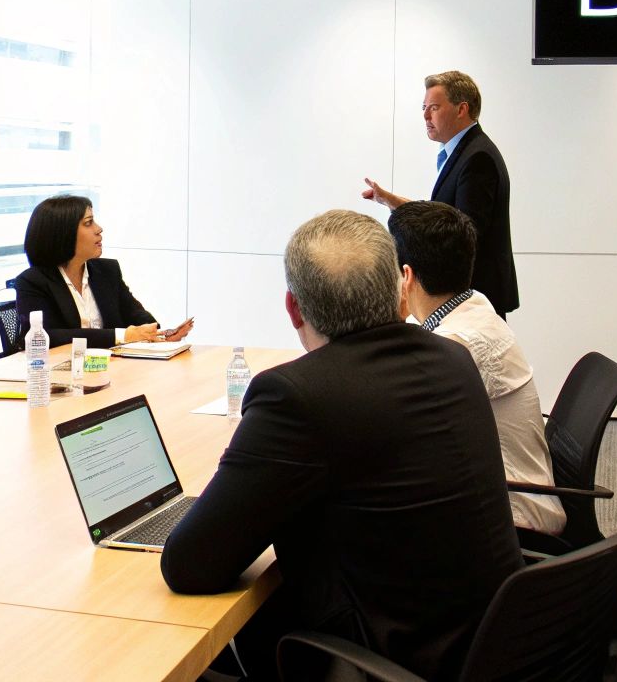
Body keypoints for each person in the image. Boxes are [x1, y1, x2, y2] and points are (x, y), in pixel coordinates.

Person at [161, 209, 520, 679]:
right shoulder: (451, 357)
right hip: (492, 639)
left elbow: (191, 565)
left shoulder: (298, 395)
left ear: (293, 308)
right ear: (400, 291)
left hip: (388, 659)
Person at [387, 200, 564, 538]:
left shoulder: (457, 345)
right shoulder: (474, 305)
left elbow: (395, 430)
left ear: (405, 276)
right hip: (507, 496)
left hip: (512, 521)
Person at [361, 69, 520, 314]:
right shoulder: (465, 151)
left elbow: (465, 233)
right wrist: (391, 201)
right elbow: (446, 217)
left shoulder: (478, 157)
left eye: (433, 107)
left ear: (461, 109)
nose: (425, 115)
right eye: (424, 107)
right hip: (464, 295)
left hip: (473, 297)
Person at [8, 194, 191, 348]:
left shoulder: (107, 270)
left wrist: (158, 333)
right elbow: (48, 337)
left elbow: (134, 313)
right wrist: (123, 336)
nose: (99, 229)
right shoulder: (33, 282)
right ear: (64, 233)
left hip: (110, 369)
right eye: (88, 223)